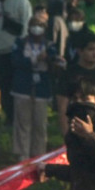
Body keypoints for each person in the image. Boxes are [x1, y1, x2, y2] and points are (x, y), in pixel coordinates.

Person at [10, 10, 56, 159]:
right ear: (29, 26)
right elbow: (15, 61)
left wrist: (49, 59)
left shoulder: (50, 46)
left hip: (42, 89)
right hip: (22, 88)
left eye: (41, 25)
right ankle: (22, 159)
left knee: (40, 126)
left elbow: (55, 65)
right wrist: (34, 59)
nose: (37, 28)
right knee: (23, 125)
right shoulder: (20, 43)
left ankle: (39, 159)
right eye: (34, 24)